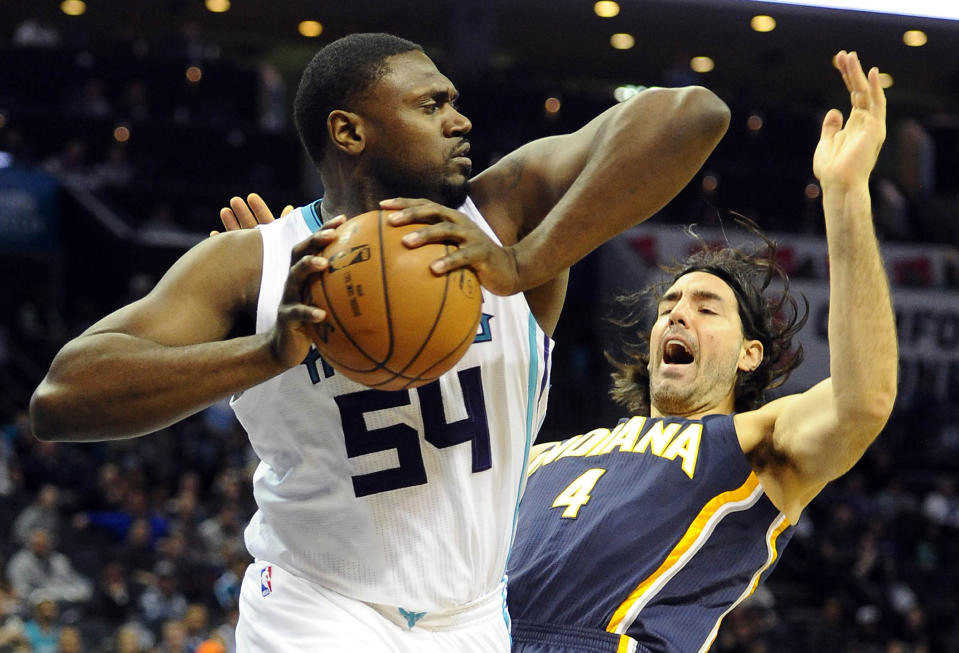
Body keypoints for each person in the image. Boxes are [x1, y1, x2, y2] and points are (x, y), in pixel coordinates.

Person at [29, 32, 729, 651]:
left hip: (474, 616)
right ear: (349, 131)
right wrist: (263, 352)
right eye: (430, 106)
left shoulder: (505, 217)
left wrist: (524, 262)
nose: (460, 120)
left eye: (452, 101)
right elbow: (61, 398)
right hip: (314, 606)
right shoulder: (256, 262)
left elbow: (692, 114)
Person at [505, 51, 897, 653]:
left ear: (749, 355)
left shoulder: (753, 444)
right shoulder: (546, 450)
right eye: (668, 307)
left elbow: (864, 400)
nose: (678, 312)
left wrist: (845, 195)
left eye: (707, 308)